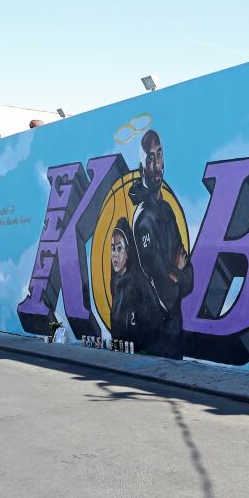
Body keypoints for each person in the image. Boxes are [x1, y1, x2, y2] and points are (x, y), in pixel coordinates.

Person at [128, 129, 193, 358]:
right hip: (158, 335)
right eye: (150, 158)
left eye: (160, 154)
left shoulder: (166, 211)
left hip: (175, 331)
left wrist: (175, 276)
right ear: (141, 168)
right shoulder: (144, 220)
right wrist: (176, 271)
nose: (157, 164)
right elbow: (165, 291)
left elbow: (190, 278)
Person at [109, 217, 145, 345]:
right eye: (113, 248)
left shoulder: (133, 282)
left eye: (119, 248)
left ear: (128, 252)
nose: (114, 254)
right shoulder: (116, 282)